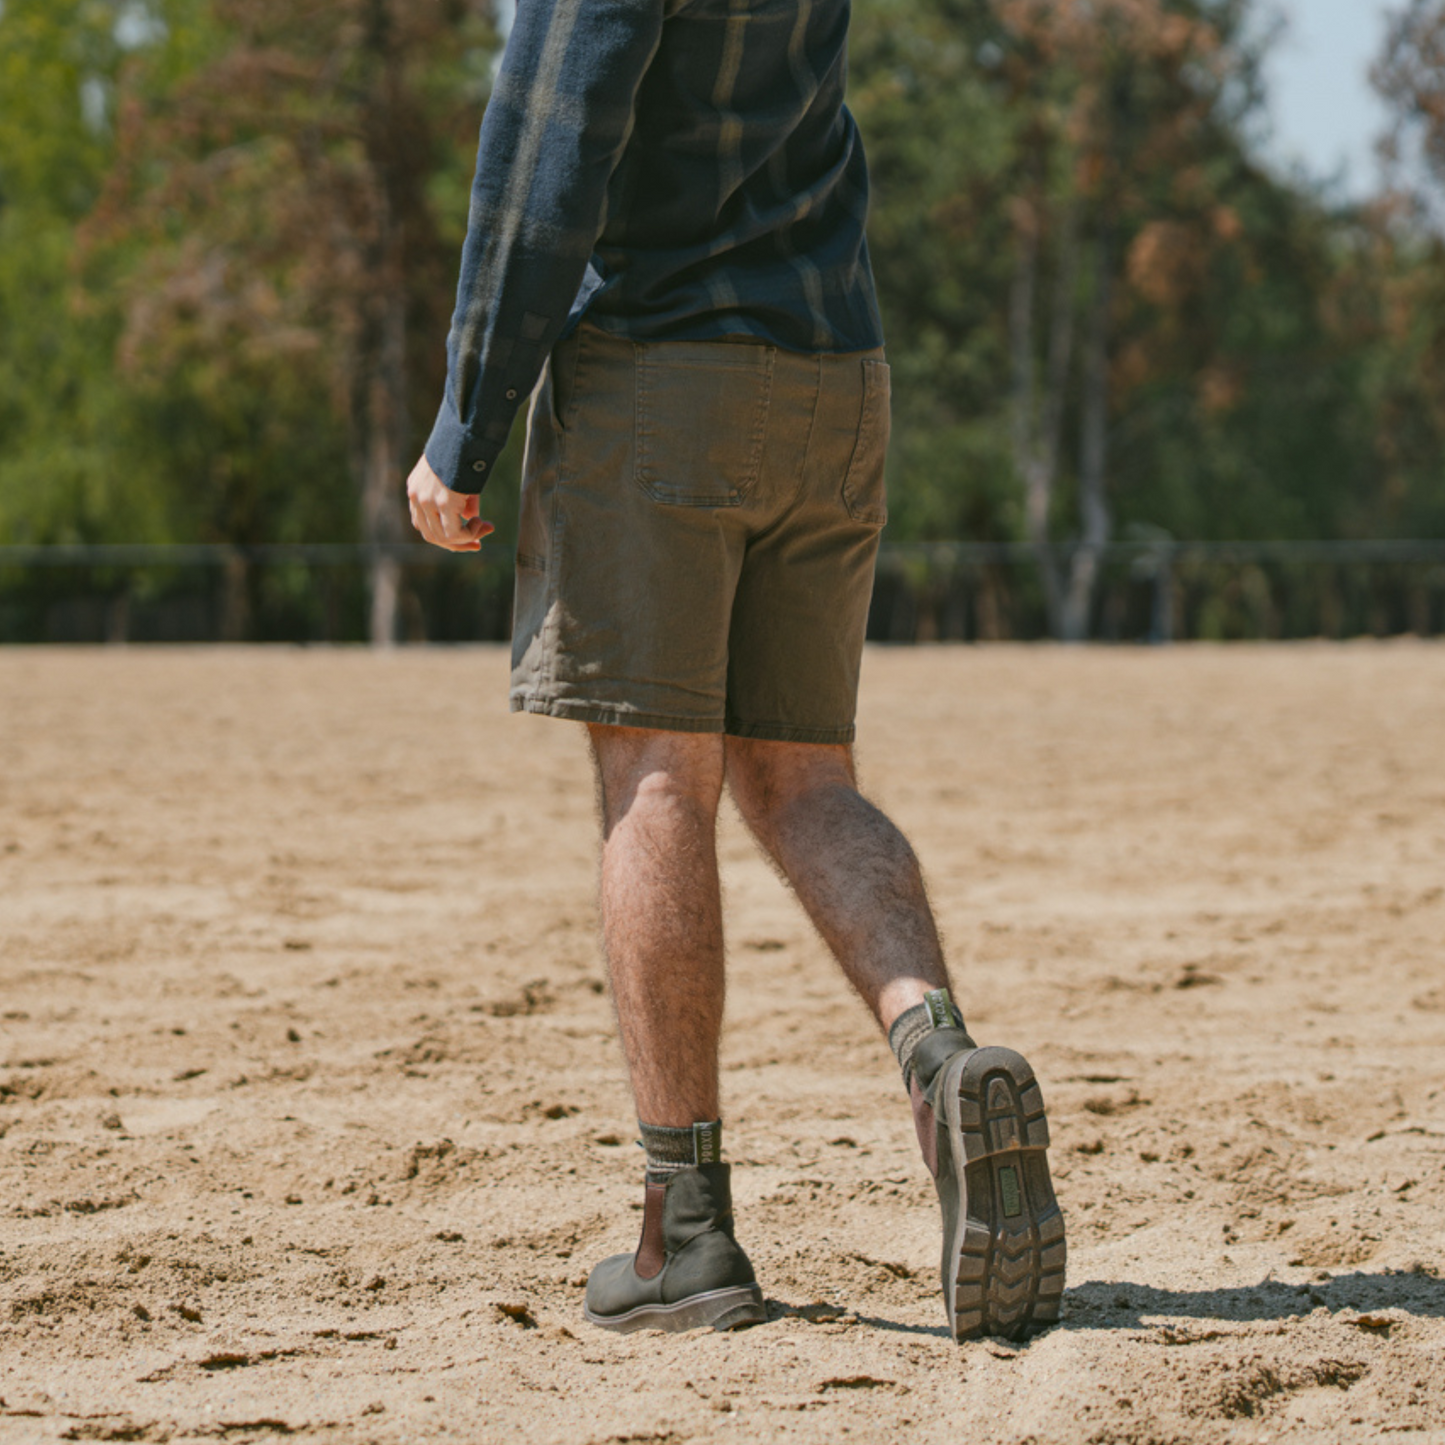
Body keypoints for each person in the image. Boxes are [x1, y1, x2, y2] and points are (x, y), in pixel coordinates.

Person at [405, 0, 1064, 1341]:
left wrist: (468, 421)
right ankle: (938, 1058)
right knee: (807, 780)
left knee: (656, 775)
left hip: (665, 368)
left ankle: (684, 1236)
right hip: (836, 369)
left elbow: (550, 141)